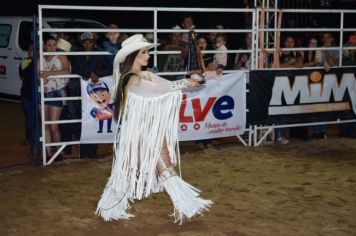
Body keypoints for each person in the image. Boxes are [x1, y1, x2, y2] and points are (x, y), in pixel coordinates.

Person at [96, 34, 212, 224]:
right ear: (134, 55)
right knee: (129, 172)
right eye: (144, 52)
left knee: (165, 168)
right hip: (138, 134)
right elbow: (155, 90)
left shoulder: (146, 75)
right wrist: (184, 83)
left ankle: (185, 206)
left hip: (153, 132)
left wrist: (191, 80)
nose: (148, 55)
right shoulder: (129, 79)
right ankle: (109, 207)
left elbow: (163, 85)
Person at [38, 36, 71, 159]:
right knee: (45, 125)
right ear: (45, 46)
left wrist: (48, 74)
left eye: (53, 45)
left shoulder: (61, 56)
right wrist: (42, 76)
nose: (52, 47)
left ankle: (58, 152)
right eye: (49, 45)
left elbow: (68, 72)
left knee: (53, 125)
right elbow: (38, 75)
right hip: (42, 92)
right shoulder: (40, 58)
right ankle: (48, 153)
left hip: (57, 92)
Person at [19, 43, 36, 146]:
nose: (30, 51)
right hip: (27, 93)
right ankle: (30, 139)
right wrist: (32, 61)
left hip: (37, 94)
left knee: (34, 117)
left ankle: (33, 138)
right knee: (29, 116)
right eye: (30, 49)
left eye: (33, 50)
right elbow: (23, 75)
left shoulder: (42, 62)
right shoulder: (25, 61)